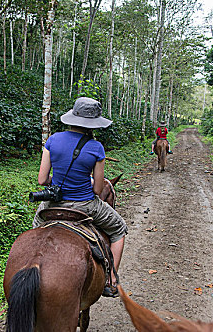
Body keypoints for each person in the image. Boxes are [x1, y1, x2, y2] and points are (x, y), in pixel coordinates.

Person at [32, 97, 128, 298]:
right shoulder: (96, 147)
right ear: (92, 123)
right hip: (85, 205)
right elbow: (98, 189)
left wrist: (57, 181)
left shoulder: (53, 140)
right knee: (119, 228)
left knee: (35, 234)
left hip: (51, 204)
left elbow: (42, 180)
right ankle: (110, 279)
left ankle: (32, 261)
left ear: (72, 117)